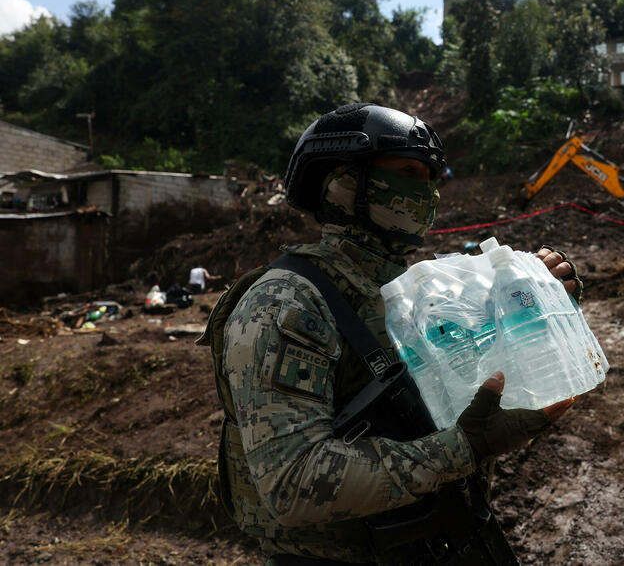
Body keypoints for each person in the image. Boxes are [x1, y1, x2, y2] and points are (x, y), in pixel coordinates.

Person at [204, 103, 580, 564]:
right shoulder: (286, 301)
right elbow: (292, 482)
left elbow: (481, 390)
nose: (427, 193)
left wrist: (535, 303)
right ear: (343, 184)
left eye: (430, 177)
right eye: (407, 172)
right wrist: (464, 448)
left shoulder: (416, 292)